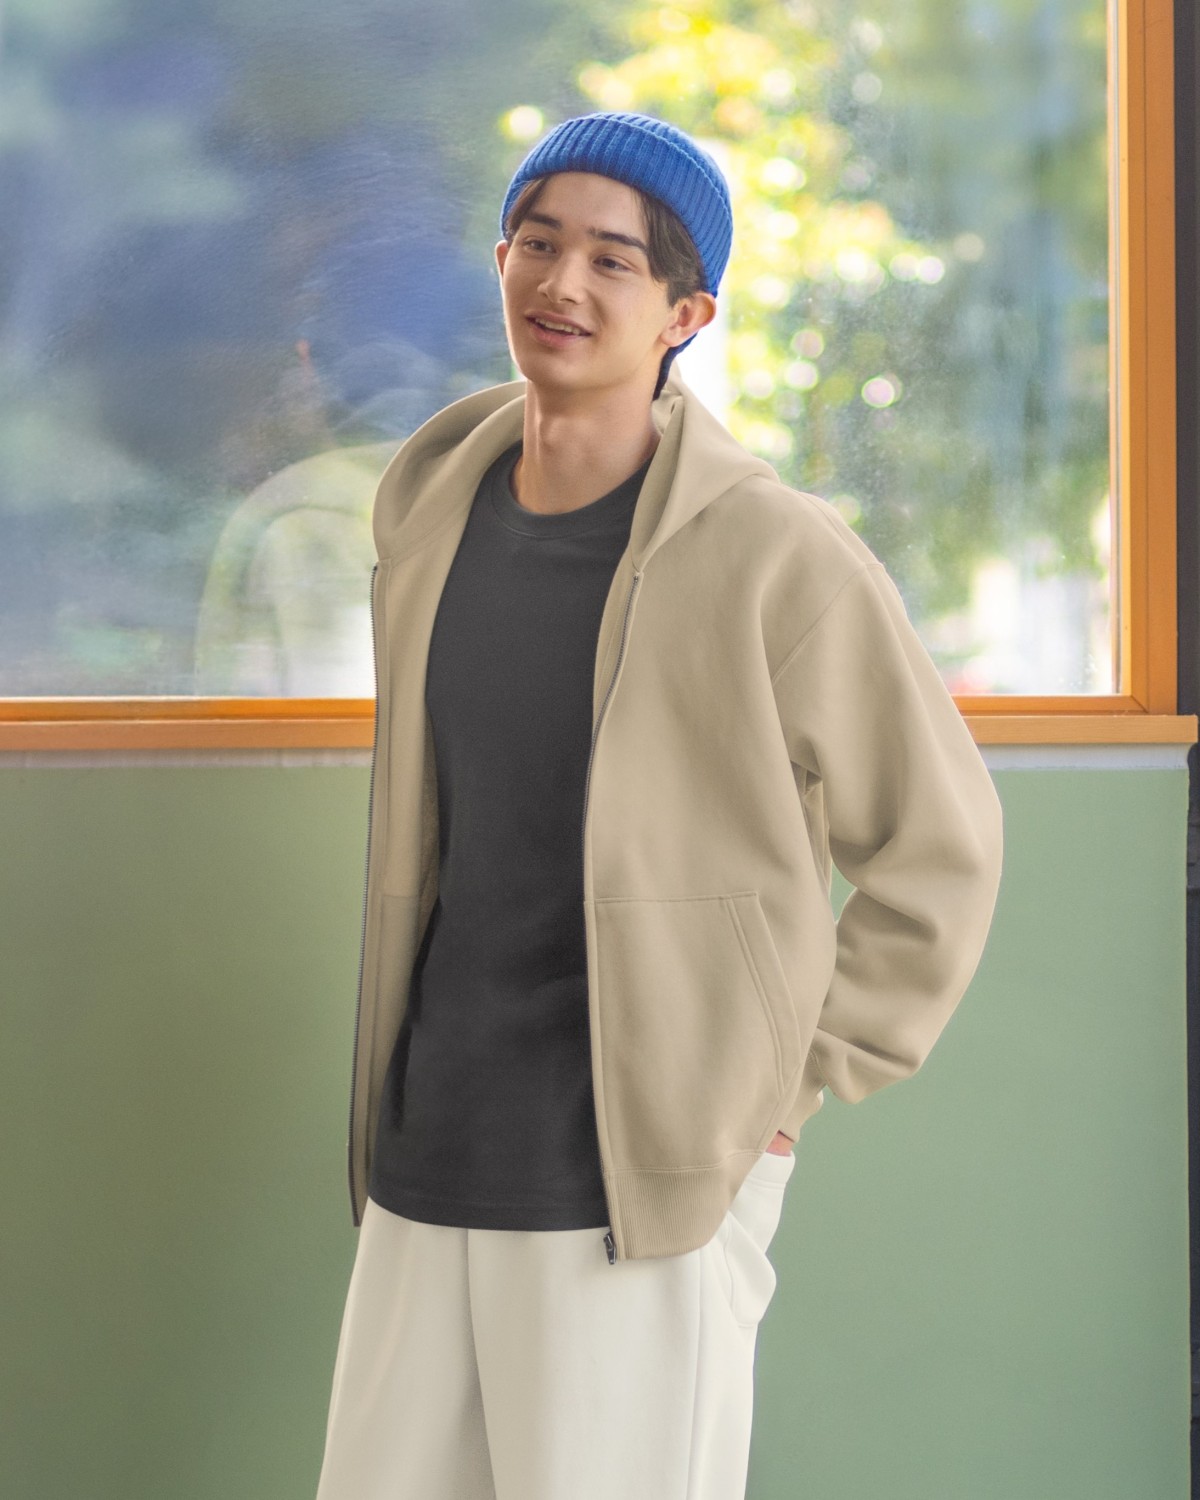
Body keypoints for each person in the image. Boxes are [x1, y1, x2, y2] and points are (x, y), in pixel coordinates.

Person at [314, 110, 1004, 1500]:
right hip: (430, 1142)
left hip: (645, 1177)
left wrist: (784, 1092)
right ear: (501, 260)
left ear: (687, 314)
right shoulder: (431, 517)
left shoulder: (775, 553)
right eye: (538, 242)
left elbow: (942, 847)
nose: (562, 283)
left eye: (613, 261)